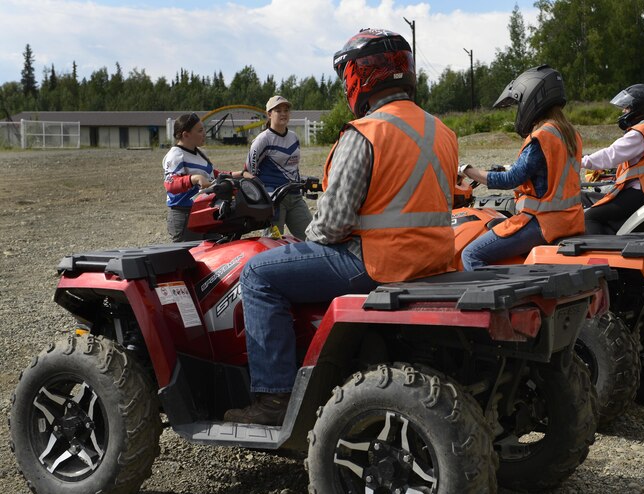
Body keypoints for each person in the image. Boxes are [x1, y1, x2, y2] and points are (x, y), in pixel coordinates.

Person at [223, 28, 458, 425]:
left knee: (259, 272)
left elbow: (331, 226)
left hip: (376, 261)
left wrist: (300, 242)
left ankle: (272, 399)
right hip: (434, 259)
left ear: (360, 76)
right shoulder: (442, 132)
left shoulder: (366, 132)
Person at [458, 66, 584, 270]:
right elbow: (551, 170)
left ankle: (492, 301)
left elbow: (509, 180)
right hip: (570, 221)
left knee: (471, 254)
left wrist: (466, 169)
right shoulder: (570, 134)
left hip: (542, 223)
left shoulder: (542, 136)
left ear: (533, 98)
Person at [581, 84, 644, 234]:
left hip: (643, 190)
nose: (624, 111)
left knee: (589, 217)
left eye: (627, 108)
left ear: (640, 108)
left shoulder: (643, 130)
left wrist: (580, 161)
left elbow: (611, 154)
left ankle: (602, 255)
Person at [162, 113, 244, 241]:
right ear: (186, 135)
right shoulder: (176, 155)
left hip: (204, 210)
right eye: (200, 130)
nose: (204, 133)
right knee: (189, 259)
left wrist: (238, 174)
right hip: (185, 214)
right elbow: (170, 184)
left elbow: (211, 174)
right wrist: (194, 179)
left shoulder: (199, 153)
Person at [244, 95, 313, 239]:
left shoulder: (294, 137)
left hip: (295, 197)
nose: (283, 114)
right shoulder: (263, 140)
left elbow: (294, 167)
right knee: (273, 244)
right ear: (269, 114)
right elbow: (250, 171)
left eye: (286, 110)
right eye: (278, 110)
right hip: (274, 201)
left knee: (311, 238)